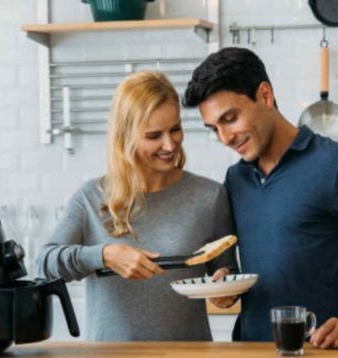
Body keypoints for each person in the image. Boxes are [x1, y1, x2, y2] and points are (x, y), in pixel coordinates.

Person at [183, 47, 338, 349]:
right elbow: (249, 266)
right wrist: (228, 283)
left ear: (264, 96)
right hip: (250, 349)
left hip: (322, 350)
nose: (225, 138)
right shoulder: (236, 179)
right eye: (214, 128)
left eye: (231, 118)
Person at [37, 71, 238, 341]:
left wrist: (226, 286)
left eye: (175, 129)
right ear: (125, 136)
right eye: (154, 135)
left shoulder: (209, 196)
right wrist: (104, 256)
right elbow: (45, 264)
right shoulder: (91, 198)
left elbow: (226, 271)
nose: (170, 145)